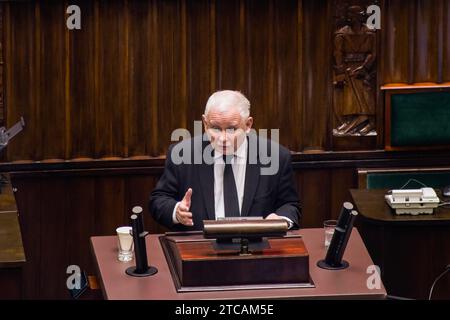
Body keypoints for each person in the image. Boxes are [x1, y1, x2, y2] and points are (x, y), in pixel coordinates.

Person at [149, 90, 301, 231]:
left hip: (257, 249)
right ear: (205, 123)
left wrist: (281, 220)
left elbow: (289, 205)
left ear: (248, 125)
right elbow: (158, 200)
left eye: (232, 129)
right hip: (199, 249)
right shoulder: (182, 154)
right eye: (215, 128)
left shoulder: (276, 156)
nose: (222, 138)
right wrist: (177, 211)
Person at [333, 5, 376, 136]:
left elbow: (373, 53)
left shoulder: (369, 33)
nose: (350, 18)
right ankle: (351, 121)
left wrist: (364, 67)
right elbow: (338, 54)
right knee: (349, 98)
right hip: (348, 69)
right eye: (349, 16)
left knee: (365, 94)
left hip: (363, 69)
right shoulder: (342, 34)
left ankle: (369, 121)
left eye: (353, 15)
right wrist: (341, 73)